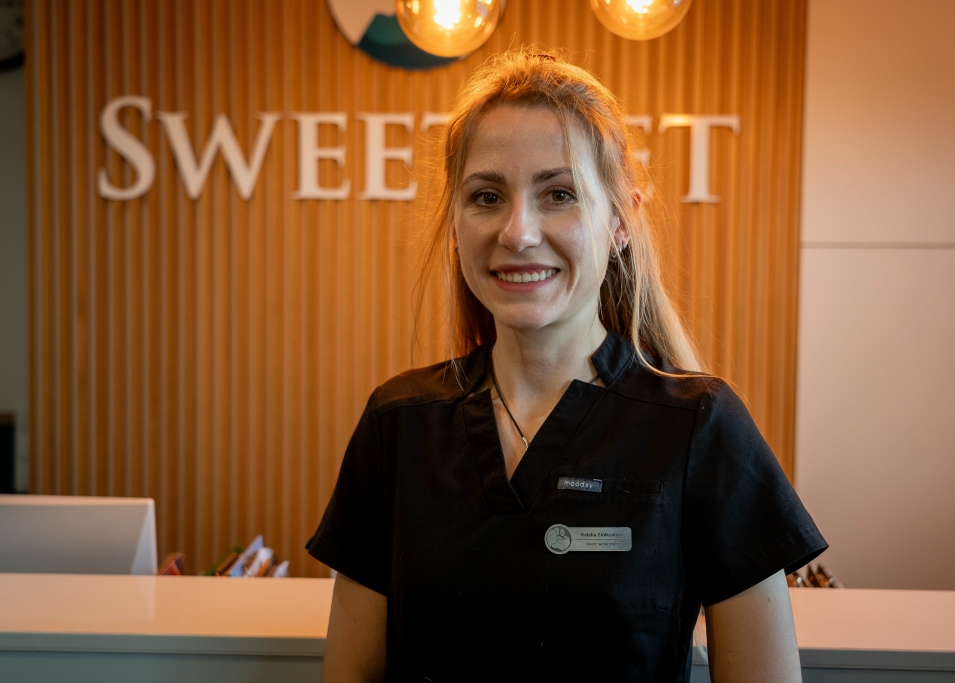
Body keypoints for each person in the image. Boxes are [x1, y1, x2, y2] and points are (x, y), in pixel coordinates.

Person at [307, 48, 827, 683]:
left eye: (559, 194)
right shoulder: (399, 424)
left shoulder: (699, 428)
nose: (518, 231)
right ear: (455, 227)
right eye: (487, 196)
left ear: (621, 221)